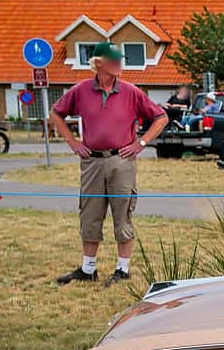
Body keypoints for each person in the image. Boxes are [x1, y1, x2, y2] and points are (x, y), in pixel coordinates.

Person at [49, 39, 169, 285]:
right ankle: (88, 269)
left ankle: (122, 270)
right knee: (90, 213)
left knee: (122, 213)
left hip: (121, 160)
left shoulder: (131, 91)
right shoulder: (81, 90)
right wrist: (72, 142)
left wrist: (141, 143)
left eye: (120, 60)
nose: (118, 65)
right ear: (99, 63)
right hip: (92, 161)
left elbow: (161, 117)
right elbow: (56, 113)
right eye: (114, 60)